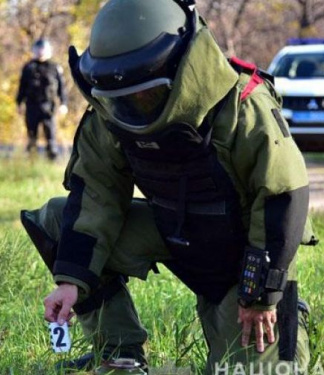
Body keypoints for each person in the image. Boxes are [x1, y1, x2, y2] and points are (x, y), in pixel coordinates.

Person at [20, 0, 318, 373]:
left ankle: (283, 315)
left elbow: (283, 195)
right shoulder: (109, 110)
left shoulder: (243, 105)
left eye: (145, 92)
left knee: (260, 371)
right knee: (58, 219)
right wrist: (72, 280)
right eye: (123, 95)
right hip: (173, 232)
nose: (133, 103)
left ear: (179, 65)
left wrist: (262, 294)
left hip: (245, 254)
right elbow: (95, 194)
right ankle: (118, 353)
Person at [16, 38, 68, 160]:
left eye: (43, 49)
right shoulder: (28, 67)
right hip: (31, 106)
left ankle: (52, 160)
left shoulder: (54, 67)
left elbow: (61, 88)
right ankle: (32, 161)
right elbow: (22, 87)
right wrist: (19, 103)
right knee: (32, 135)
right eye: (38, 49)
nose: (40, 52)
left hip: (48, 107)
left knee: (50, 136)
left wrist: (63, 104)